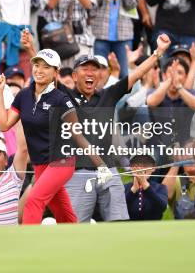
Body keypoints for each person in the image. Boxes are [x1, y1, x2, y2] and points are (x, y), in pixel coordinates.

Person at [60, 35, 171, 223]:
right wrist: (31, 49)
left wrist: (158, 53)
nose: (90, 73)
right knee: (76, 227)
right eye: (85, 69)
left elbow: (135, 75)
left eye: (94, 69)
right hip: (78, 172)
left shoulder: (108, 95)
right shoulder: (64, 96)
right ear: (74, 76)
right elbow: (45, 76)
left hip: (109, 170)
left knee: (119, 222)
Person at [0, 49, 111, 224]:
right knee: (62, 212)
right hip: (40, 164)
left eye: (46, 67)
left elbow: (78, 136)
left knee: (33, 201)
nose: (39, 70)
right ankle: (78, 243)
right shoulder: (23, 95)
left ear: (56, 72)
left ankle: (28, 247)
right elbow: (4, 125)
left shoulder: (61, 100)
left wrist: (101, 165)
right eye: (36, 65)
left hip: (61, 162)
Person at [124, 154, 168, 220]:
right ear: (131, 167)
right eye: (137, 164)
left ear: (153, 168)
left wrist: (145, 185)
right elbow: (119, 210)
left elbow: (162, 207)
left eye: (146, 164)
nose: (141, 168)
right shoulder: (124, 188)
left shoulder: (160, 187)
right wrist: (133, 190)